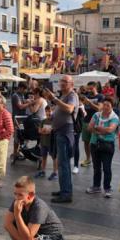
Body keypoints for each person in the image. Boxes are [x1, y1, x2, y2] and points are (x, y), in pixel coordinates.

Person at [4, 176, 64, 240]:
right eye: (15, 194)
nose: (16, 198)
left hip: (52, 235)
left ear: (31, 195)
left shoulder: (39, 207)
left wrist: (17, 214)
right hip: (34, 231)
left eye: (20, 195)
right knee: (12, 226)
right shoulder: (18, 201)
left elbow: (28, 237)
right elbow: (7, 224)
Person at [44, 75, 79, 203]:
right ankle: (64, 189)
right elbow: (59, 113)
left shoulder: (72, 95)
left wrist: (54, 99)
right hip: (59, 132)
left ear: (71, 84)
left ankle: (66, 194)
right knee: (62, 163)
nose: (62, 83)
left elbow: (69, 109)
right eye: (61, 81)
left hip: (65, 132)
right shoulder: (64, 96)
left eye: (66, 81)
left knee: (63, 164)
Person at [86, 97, 119, 198]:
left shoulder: (115, 117)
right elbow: (89, 127)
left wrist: (97, 128)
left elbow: (110, 130)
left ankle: (107, 188)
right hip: (95, 144)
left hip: (107, 145)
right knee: (96, 167)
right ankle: (96, 186)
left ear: (112, 107)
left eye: (108, 105)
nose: (105, 107)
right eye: (104, 105)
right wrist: (100, 130)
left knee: (106, 167)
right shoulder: (97, 115)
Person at [79, 82, 103, 168]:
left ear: (95, 87)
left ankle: (97, 159)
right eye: (88, 88)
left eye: (91, 88)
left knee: (95, 142)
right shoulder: (87, 96)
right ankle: (88, 159)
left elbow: (99, 109)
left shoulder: (100, 96)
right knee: (86, 141)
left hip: (96, 122)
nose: (89, 90)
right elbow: (84, 107)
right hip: (86, 121)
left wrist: (90, 103)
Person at [34, 105, 57, 180]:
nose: (49, 113)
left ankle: (55, 173)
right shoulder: (43, 121)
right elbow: (39, 130)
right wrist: (44, 131)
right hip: (44, 142)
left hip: (51, 143)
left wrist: (46, 131)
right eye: (47, 111)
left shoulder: (55, 121)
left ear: (53, 111)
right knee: (44, 157)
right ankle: (43, 171)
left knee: (54, 157)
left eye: (50, 111)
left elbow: (52, 131)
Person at [11, 82, 31, 162]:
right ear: (21, 88)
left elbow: (23, 101)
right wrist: (30, 103)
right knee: (17, 136)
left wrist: (27, 100)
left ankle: (18, 152)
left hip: (21, 118)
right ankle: (15, 153)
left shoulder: (21, 95)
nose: (25, 91)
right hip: (17, 119)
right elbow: (20, 106)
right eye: (25, 89)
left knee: (21, 135)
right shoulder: (15, 95)